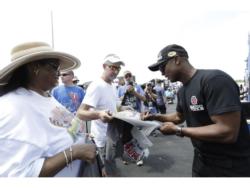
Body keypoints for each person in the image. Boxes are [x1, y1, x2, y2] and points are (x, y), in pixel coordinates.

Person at [142, 44, 250, 177]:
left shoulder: (214, 80)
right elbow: (178, 117)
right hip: (201, 161)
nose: (162, 73)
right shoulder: (182, 91)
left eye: (163, 67)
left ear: (177, 60)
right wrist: (155, 116)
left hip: (230, 165)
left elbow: (227, 132)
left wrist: (179, 130)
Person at [0, 42, 96, 177]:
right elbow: (19, 174)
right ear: (34, 67)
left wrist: (81, 135)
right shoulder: (12, 109)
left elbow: (68, 126)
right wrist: (74, 152)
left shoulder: (45, 96)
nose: (59, 73)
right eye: (54, 67)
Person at [76, 54, 126, 176]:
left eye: (118, 68)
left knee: (111, 169)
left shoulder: (112, 86)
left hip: (112, 137)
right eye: (113, 67)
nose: (116, 71)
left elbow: (114, 107)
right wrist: (99, 114)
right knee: (107, 173)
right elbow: (80, 113)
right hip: (101, 140)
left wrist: (126, 109)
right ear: (104, 66)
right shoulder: (96, 85)